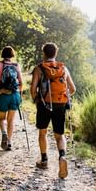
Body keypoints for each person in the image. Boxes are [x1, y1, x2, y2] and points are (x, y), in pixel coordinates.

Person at [30, 42, 76, 179]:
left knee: (43, 132)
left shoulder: (39, 68)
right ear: (55, 53)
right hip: (60, 105)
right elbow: (72, 89)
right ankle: (62, 156)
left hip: (44, 104)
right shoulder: (63, 69)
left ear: (43, 53)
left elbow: (33, 89)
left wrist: (37, 100)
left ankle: (44, 160)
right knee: (59, 134)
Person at [0, 46, 23, 151]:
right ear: (12, 54)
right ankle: (9, 143)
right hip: (14, 95)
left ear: (2, 54)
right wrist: (19, 94)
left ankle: (4, 134)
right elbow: (21, 83)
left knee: (2, 119)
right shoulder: (16, 65)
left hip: (3, 95)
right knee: (11, 120)